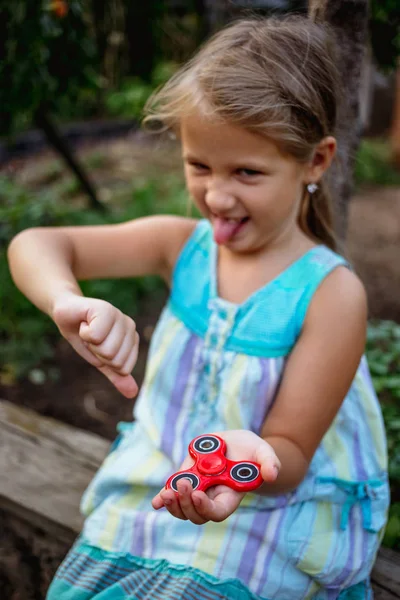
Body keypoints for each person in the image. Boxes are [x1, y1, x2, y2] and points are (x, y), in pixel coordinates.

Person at [8, 15, 389, 600]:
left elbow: (287, 451)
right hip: (157, 480)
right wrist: (69, 300)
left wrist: (252, 461)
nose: (215, 194)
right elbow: (36, 244)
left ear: (315, 162)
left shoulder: (330, 295)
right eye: (199, 166)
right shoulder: (180, 247)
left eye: (247, 172)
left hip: (267, 509)